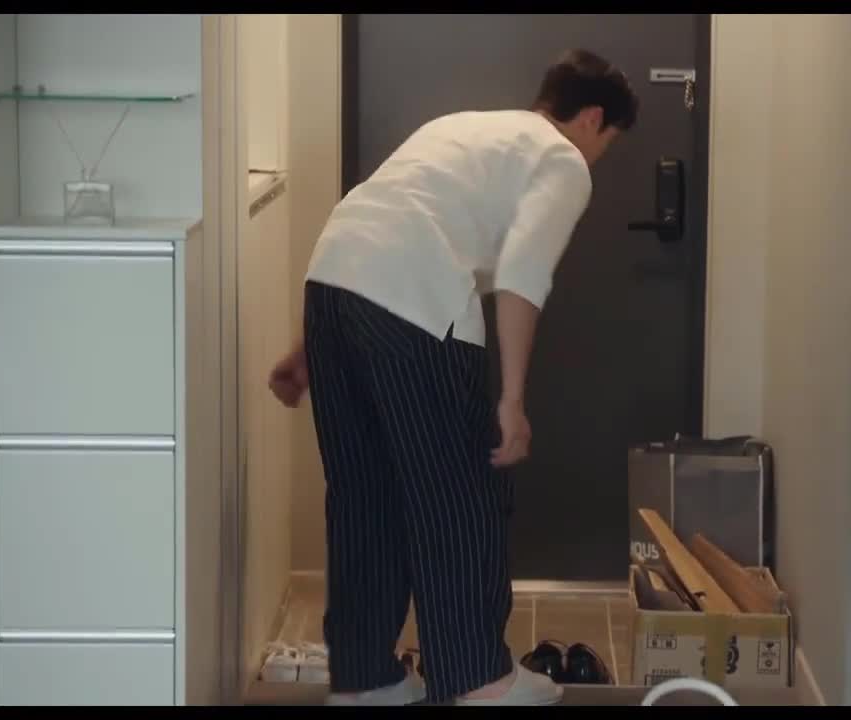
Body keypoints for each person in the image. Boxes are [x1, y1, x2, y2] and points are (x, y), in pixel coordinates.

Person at [267, 48, 639, 706]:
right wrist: (512, 399)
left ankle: (366, 679)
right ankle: (478, 679)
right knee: (461, 495)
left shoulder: (460, 128)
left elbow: (381, 226)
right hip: (414, 306)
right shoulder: (560, 159)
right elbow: (523, 273)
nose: (598, 156)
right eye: (607, 141)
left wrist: (310, 348)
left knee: (364, 497)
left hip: (330, 286)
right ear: (591, 118)